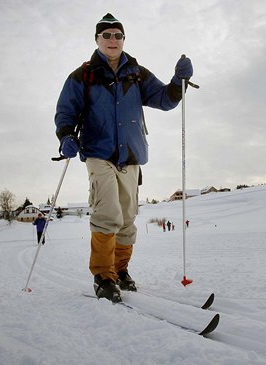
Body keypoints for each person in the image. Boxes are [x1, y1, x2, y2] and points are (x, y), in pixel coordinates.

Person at [54, 13, 193, 303]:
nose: (112, 40)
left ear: (123, 39)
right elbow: (66, 112)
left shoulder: (136, 73)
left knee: (128, 218)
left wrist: (179, 81)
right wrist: (66, 136)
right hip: (97, 151)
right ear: (97, 40)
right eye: (106, 35)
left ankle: (120, 270)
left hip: (130, 155)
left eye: (118, 35)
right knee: (108, 214)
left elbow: (165, 99)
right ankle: (103, 276)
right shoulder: (83, 76)